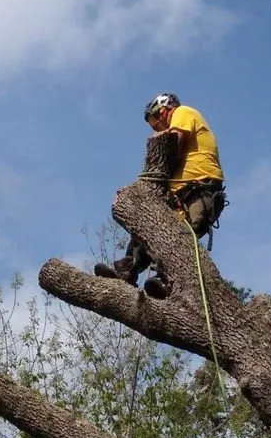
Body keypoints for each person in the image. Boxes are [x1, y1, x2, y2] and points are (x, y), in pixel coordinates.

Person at [94, 93, 226, 298]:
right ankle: (127, 271)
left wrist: (160, 141)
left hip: (201, 187)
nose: (156, 129)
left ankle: (168, 282)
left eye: (155, 122)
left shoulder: (183, 112)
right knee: (150, 229)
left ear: (163, 108)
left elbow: (175, 140)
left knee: (184, 233)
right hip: (179, 193)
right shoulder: (176, 119)